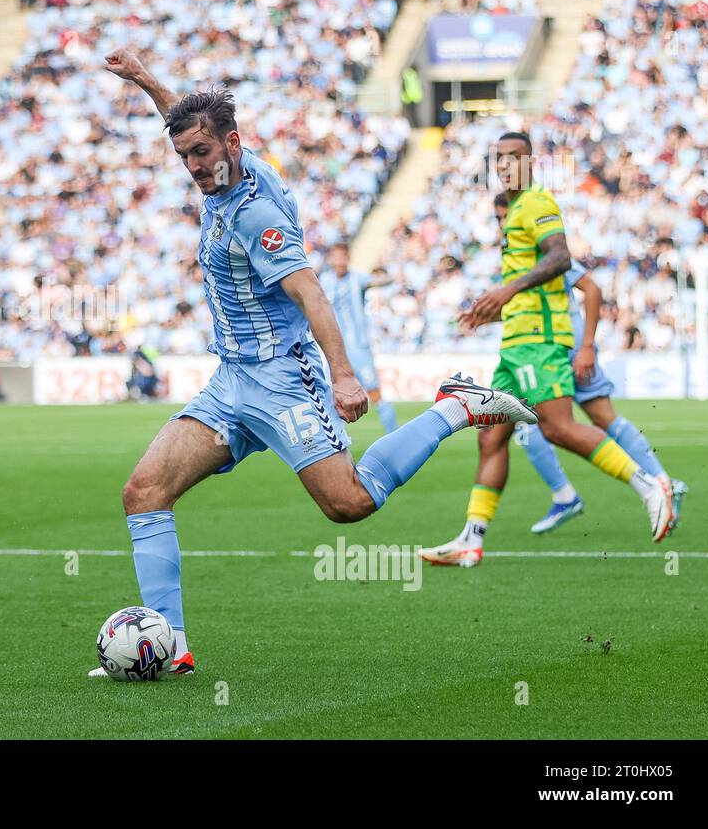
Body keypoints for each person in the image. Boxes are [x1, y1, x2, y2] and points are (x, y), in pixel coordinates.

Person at [91, 50, 536, 676]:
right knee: (144, 492)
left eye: (200, 154)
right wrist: (145, 81)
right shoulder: (230, 170)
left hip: (282, 379)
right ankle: (171, 648)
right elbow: (185, 123)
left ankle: (455, 408)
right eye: (184, 155)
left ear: (232, 144)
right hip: (231, 381)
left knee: (348, 503)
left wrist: (343, 373)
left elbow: (310, 292)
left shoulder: (259, 216)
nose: (191, 167)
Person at [421, 134, 675, 568]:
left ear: (531, 162)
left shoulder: (537, 203)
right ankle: (471, 539)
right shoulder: (514, 210)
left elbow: (560, 259)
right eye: (498, 158)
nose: (504, 165)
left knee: (558, 427)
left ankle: (650, 486)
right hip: (517, 343)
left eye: (514, 157)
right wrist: (494, 310)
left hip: (540, 341)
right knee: (492, 437)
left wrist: (507, 290)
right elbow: (530, 284)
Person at [489, 194, 688, 533]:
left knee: (533, 422)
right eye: (498, 218)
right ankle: (661, 480)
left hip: (557, 347)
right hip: (552, 344)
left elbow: (591, 289)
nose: (503, 224)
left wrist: (586, 347)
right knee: (574, 420)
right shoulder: (516, 256)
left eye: (506, 215)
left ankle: (577, 493)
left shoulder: (542, 248)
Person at [318, 242, 398, 433]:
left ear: (348, 259)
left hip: (358, 346)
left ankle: (395, 435)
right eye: (336, 256)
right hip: (332, 348)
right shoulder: (323, 280)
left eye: (343, 256)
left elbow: (387, 280)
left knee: (374, 392)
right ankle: (334, 440)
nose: (340, 260)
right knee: (332, 395)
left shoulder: (358, 279)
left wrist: (381, 275)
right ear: (330, 259)